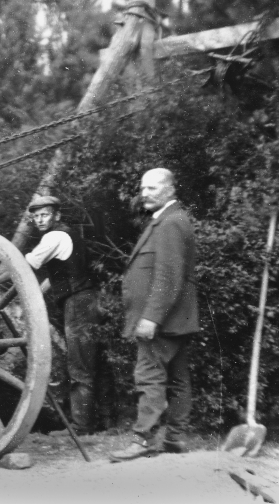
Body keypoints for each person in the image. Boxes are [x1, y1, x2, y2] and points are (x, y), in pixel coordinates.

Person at [0, 195, 114, 435]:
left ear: (56, 215)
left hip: (79, 303)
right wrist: (38, 293)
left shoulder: (54, 237)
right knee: (95, 362)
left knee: (79, 364)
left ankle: (82, 427)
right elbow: (58, 274)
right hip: (90, 299)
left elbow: (25, 263)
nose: (40, 219)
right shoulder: (68, 234)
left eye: (45, 214)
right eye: (36, 216)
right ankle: (107, 422)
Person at [110, 168, 199, 462]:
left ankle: (144, 439)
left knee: (149, 375)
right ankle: (174, 438)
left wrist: (151, 318)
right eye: (143, 188)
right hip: (175, 320)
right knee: (177, 378)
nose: (145, 193)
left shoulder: (170, 223)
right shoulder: (166, 220)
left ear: (171, 190)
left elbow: (168, 277)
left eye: (152, 188)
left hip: (161, 320)